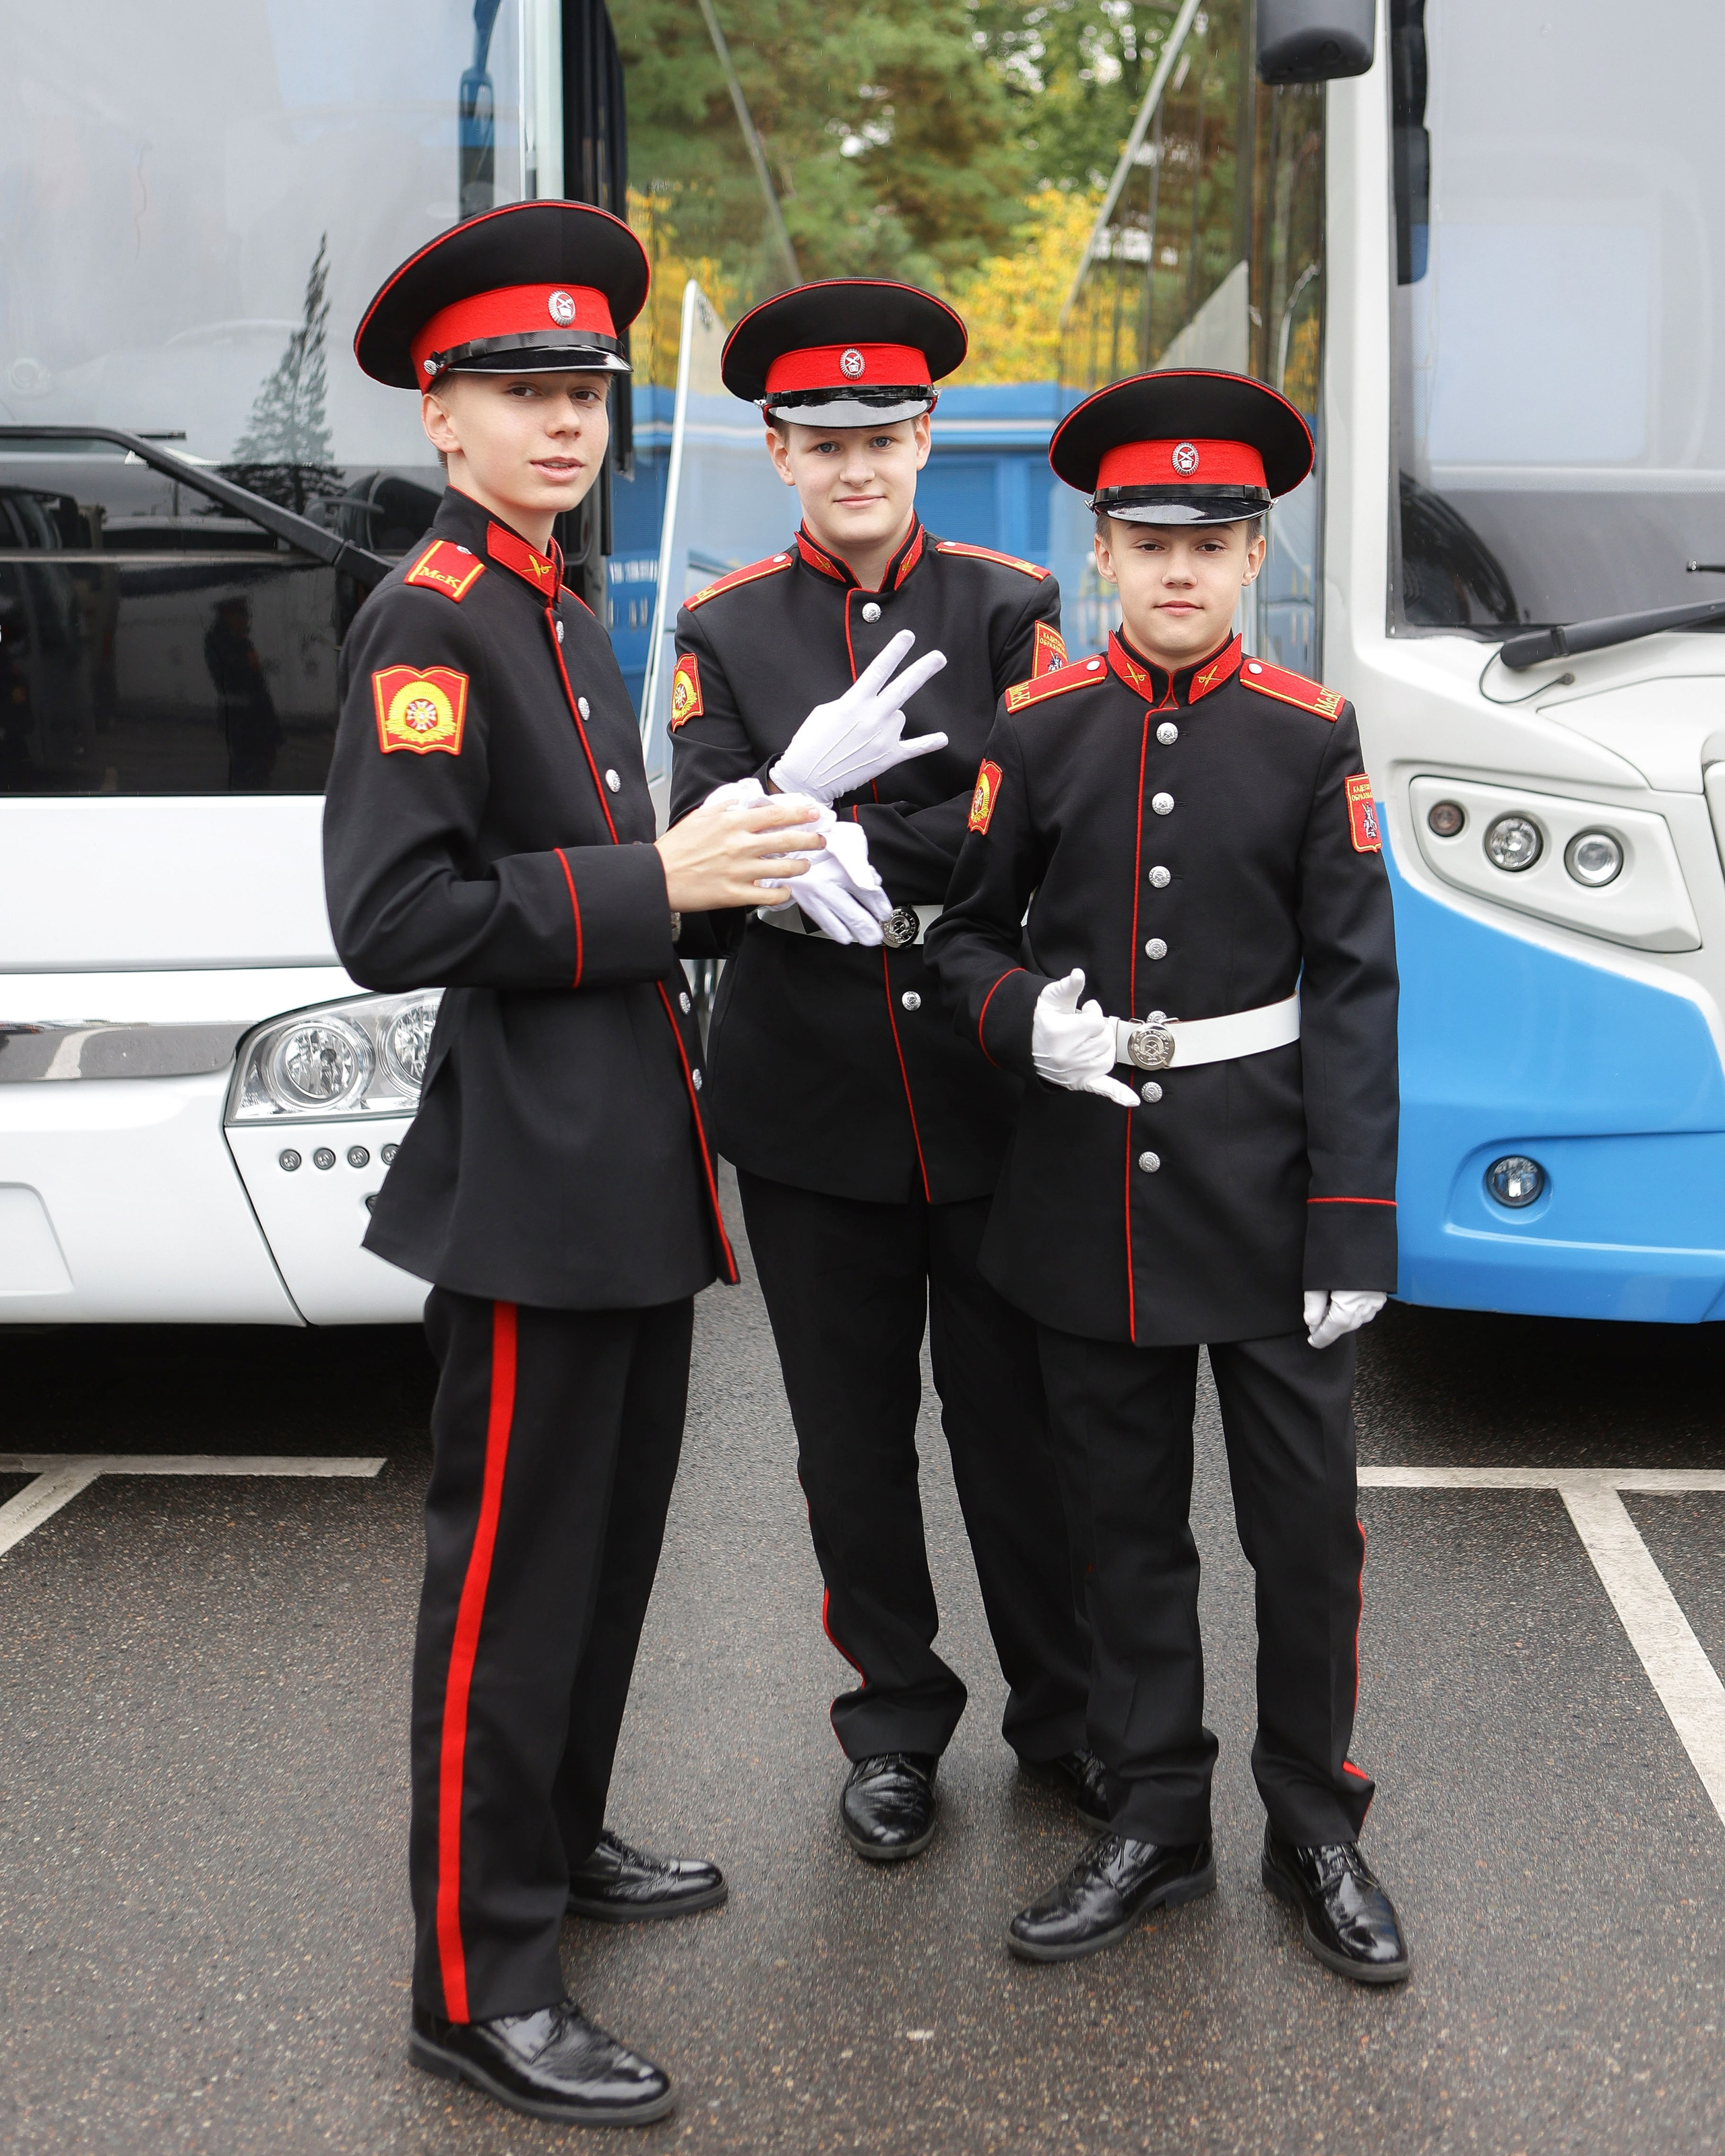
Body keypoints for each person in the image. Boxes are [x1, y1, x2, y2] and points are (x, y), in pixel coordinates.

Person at [324, 201, 825, 2128]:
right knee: (509, 1594)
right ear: (441, 422)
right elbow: (395, 912)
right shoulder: (434, 618)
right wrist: (660, 882)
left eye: (582, 395)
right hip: (533, 1192)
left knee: (604, 1566)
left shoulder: (546, 597)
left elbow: (612, 895)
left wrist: (750, 870)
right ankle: (478, 1981)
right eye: (517, 395)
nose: (560, 425)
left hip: (623, 1170)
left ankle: (568, 1829)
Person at [925, 368, 1410, 1981]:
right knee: (1117, 1529)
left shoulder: (1307, 735)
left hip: (1273, 1198)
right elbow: (964, 940)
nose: (1179, 569)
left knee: (1302, 1527)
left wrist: (1352, 1215)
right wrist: (1022, 1028)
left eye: (1210, 539)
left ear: (1255, 551)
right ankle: (1150, 1819)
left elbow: (1351, 988)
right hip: (1088, 1192)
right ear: (1101, 555)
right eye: (1148, 540)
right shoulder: (1039, 727)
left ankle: (1315, 1822)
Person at [668, 280, 1099, 1864]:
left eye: (884, 434)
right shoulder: (720, 630)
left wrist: (839, 835)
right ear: (777, 452)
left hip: (983, 1072)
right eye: (820, 439)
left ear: (927, 439)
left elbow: (1034, 813)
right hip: (804, 1077)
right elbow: (701, 837)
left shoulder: (1008, 604)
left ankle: (1060, 1716)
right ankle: (893, 1723)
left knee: (1017, 1423)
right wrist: (790, 814)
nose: (856, 464)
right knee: (844, 1437)